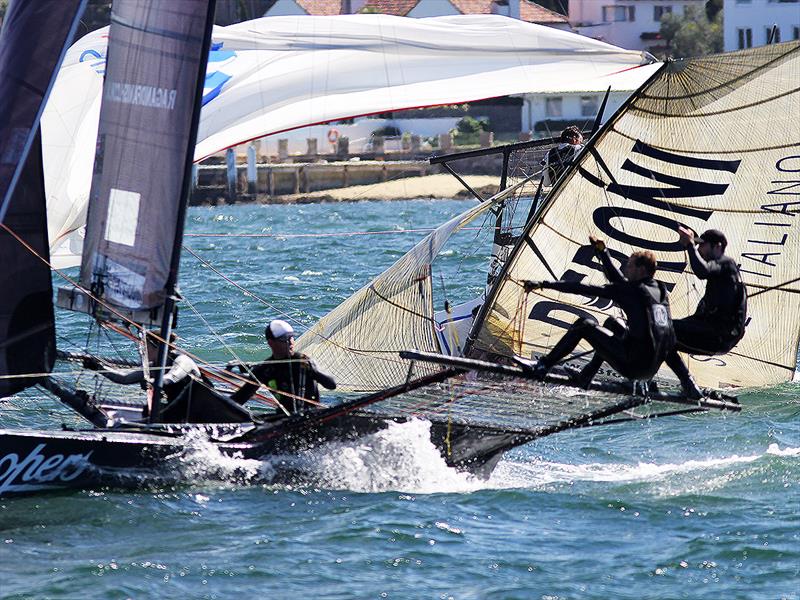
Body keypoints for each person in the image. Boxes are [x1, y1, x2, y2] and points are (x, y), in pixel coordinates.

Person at [522, 242, 675, 388]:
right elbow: (669, 336)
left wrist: (543, 284)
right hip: (650, 368)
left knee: (583, 325)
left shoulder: (630, 290)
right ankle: (587, 374)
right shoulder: (662, 292)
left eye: (629, 266)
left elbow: (583, 288)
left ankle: (543, 365)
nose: (625, 270)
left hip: (633, 366)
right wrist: (686, 378)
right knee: (612, 322)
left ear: (641, 270)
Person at [665, 227, 747, 398]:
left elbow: (702, 271)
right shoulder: (721, 277)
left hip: (719, 336)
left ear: (717, 247)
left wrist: (689, 245)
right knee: (661, 334)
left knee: (661, 330)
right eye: (698, 246)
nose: (700, 249)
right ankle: (681, 384)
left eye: (703, 246)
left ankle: (688, 384)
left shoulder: (727, 264)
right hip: (715, 333)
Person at [229, 319, 336, 414]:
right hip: (284, 417)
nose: (290, 342)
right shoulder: (264, 370)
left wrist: (312, 369)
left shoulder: (303, 361)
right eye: (284, 339)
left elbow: (332, 385)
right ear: (271, 343)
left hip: (312, 415)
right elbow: (238, 400)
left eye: (291, 337)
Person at [83, 331, 201, 406]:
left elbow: (172, 378)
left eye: (146, 348)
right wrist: (98, 367)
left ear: (157, 347)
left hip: (200, 407)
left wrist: (151, 382)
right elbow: (124, 379)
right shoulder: (153, 367)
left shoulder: (182, 360)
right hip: (178, 407)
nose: (142, 352)